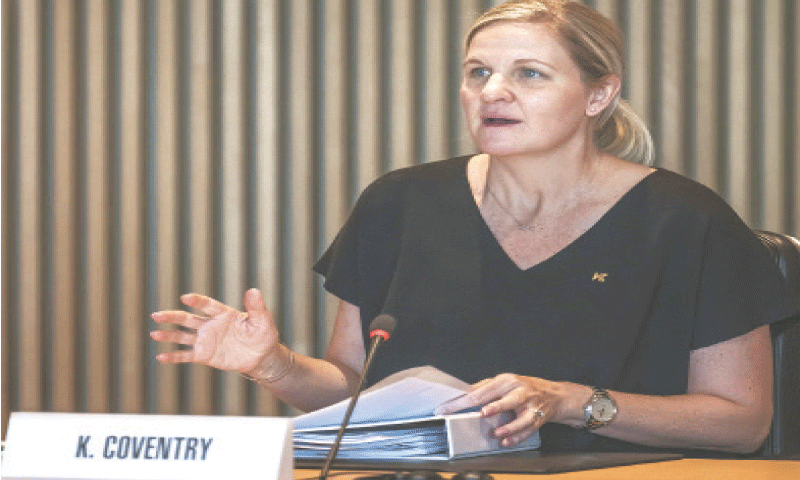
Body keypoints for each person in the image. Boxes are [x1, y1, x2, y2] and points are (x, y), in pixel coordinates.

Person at [150, 0, 800, 456]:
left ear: (598, 95)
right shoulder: (399, 204)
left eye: (529, 74)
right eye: (478, 73)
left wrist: (569, 402)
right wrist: (276, 365)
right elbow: (352, 388)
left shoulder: (687, 223)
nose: (493, 92)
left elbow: (742, 423)